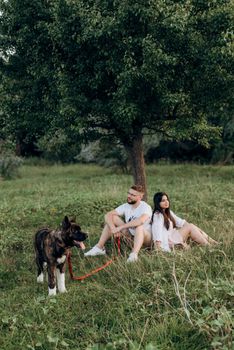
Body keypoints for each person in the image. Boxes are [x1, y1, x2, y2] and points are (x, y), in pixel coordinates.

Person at [84, 185, 152, 262]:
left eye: (133, 195)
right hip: (131, 237)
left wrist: (120, 227)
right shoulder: (126, 206)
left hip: (146, 239)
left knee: (139, 227)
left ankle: (133, 255)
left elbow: (140, 221)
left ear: (140, 197)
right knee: (112, 218)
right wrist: (113, 229)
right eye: (129, 193)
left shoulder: (145, 207)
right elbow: (107, 215)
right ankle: (99, 248)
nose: (129, 196)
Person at [151, 192, 218, 252]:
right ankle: (209, 246)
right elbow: (157, 231)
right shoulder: (158, 215)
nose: (166, 202)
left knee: (191, 226)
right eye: (163, 201)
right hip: (168, 241)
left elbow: (180, 222)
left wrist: (193, 229)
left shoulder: (167, 212)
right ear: (158, 203)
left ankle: (212, 242)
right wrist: (158, 247)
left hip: (172, 236)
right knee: (190, 227)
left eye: (167, 200)